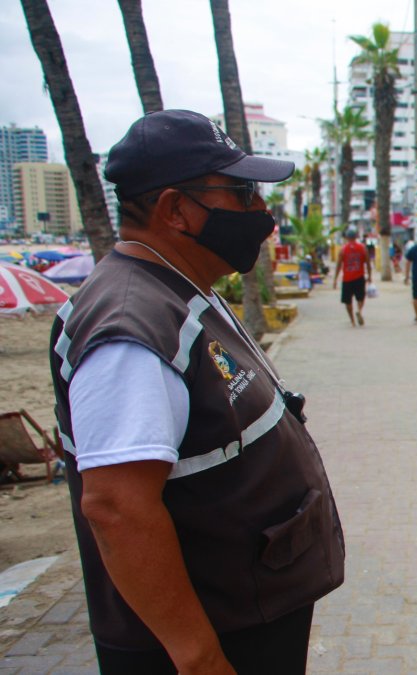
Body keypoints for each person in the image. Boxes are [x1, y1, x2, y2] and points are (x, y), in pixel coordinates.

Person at [48, 109, 344, 674]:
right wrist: (199, 656)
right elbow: (115, 507)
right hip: (213, 641)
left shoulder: (178, 289)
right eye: (240, 193)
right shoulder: (130, 325)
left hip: (246, 615)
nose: (260, 211)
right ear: (175, 210)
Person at [332, 227, 371, 327]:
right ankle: (359, 310)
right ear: (356, 237)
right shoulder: (362, 248)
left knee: (347, 301)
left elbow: (338, 265)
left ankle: (352, 321)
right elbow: (368, 263)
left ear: (346, 238)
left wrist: (335, 279)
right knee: (361, 298)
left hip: (347, 279)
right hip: (359, 277)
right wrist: (370, 276)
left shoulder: (343, 249)